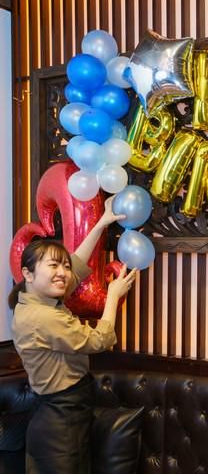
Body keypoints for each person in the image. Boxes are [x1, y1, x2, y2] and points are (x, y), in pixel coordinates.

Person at [8, 196, 137, 474]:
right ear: (28, 274)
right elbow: (99, 340)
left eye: (63, 266)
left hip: (61, 412)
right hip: (59, 421)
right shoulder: (43, 317)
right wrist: (112, 296)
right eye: (53, 266)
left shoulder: (35, 301)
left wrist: (101, 223)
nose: (63, 273)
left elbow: (77, 264)